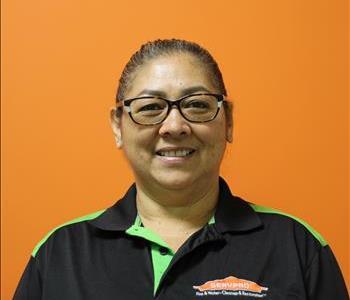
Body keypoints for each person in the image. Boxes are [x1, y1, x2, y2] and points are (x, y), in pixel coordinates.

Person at [14, 39, 349, 300]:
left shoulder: (298, 247)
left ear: (228, 121)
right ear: (118, 126)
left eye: (197, 105)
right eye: (150, 107)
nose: (174, 126)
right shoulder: (60, 253)